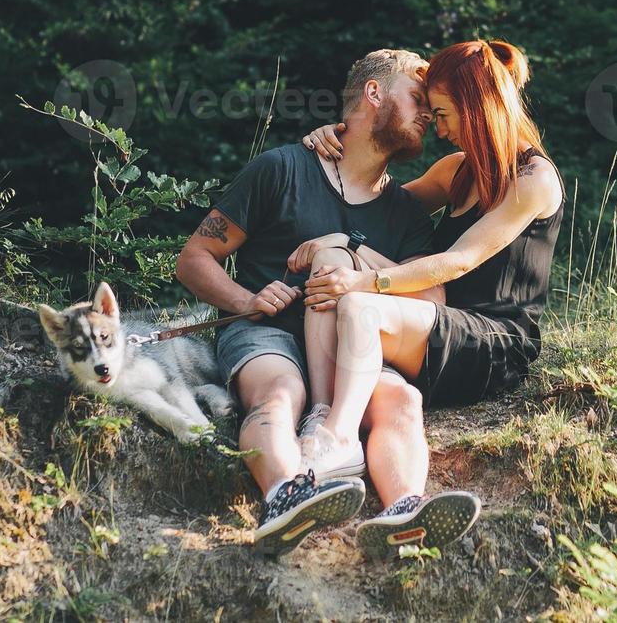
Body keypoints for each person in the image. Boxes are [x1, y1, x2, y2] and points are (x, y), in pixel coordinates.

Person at [174, 49, 476, 558]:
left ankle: (405, 514)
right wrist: (246, 298)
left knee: (402, 400)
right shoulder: (282, 169)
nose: (427, 113)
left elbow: (433, 299)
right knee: (279, 391)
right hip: (267, 332)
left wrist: (354, 252)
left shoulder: (405, 212)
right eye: (418, 98)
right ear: (374, 93)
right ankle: (284, 498)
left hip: (350, 343)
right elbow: (194, 258)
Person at [292, 39, 565, 547]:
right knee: (335, 262)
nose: (437, 127)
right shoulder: (454, 171)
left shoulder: (534, 179)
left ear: (477, 106)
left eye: (442, 113)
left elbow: (459, 260)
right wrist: (339, 140)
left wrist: (366, 281)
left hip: (493, 344)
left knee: (359, 303)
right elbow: (374, 209)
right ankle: (328, 418)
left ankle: (339, 440)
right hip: (436, 322)